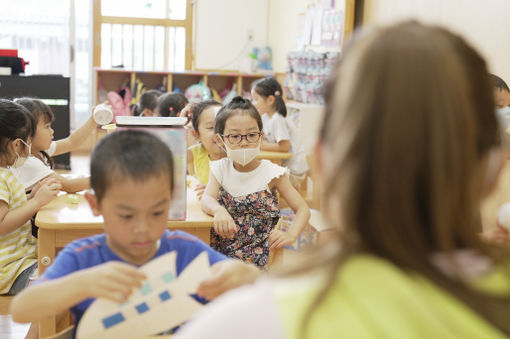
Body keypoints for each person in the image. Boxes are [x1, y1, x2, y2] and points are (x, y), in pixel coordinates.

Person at [176, 22, 510, 338]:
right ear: (495, 171)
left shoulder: (241, 324)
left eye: (251, 135)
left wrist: (260, 291)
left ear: (324, 167)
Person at [10, 130, 260, 337]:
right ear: (96, 205)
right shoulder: (83, 257)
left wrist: (240, 272)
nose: (143, 228)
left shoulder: (183, 250)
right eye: (127, 216)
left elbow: (255, 286)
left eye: (156, 213)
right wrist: (82, 283)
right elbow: (22, 310)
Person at [201, 96, 310, 268]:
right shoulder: (220, 168)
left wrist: (291, 235)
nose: (244, 143)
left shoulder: (273, 173)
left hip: (259, 262)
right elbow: (207, 199)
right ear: (221, 140)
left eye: (251, 135)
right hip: (221, 256)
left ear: (261, 135)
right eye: (235, 136)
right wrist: (218, 210)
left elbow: (303, 209)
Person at [0, 99, 60, 296]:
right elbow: (1, 224)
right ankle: (40, 328)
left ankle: (39, 328)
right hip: (9, 270)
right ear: (17, 144)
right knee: (59, 287)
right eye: (29, 141)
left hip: (17, 261)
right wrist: (36, 203)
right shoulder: (1, 177)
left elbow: (8, 211)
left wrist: (31, 198)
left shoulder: (6, 172)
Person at [13, 97, 96, 193]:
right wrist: (104, 178)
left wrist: (93, 120)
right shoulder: (28, 162)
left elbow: (71, 142)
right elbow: (70, 186)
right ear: (28, 132)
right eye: (47, 126)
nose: (52, 131)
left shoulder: (37, 150)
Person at [251, 76, 308, 190]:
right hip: (285, 169)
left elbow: (284, 146)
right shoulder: (266, 117)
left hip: (294, 173)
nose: (253, 103)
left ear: (270, 100)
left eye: (256, 99)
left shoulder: (278, 119)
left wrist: (264, 145)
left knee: (261, 185)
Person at [186, 100, 226, 199]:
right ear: (196, 135)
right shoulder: (195, 152)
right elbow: (168, 156)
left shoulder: (239, 156)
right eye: (211, 127)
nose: (219, 132)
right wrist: (180, 124)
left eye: (224, 125)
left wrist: (220, 194)